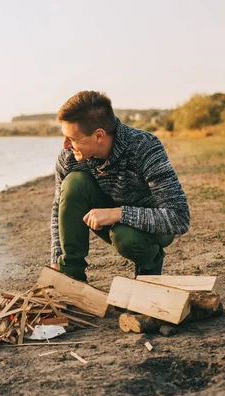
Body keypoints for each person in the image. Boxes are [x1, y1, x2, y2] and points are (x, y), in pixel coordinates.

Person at [50, 91, 190, 282]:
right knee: (74, 183)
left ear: (99, 135)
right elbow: (59, 207)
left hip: (154, 228)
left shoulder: (145, 147)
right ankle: (71, 276)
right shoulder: (69, 157)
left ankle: (150, 262)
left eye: (73, 139)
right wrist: (56, 257)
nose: (65, 145)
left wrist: (117, 213)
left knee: (125, 237)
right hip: (107, 214)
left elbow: (179, 218)